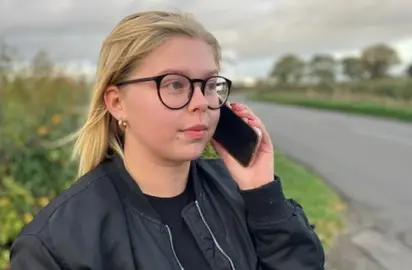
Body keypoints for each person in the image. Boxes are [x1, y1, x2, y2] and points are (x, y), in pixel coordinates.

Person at [9, 10, 325, 270]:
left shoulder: (241, 195)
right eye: (175, 84)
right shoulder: (54, 245)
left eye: (210, 84)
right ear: (117, 102)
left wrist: (262, 193)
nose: (201, 101)